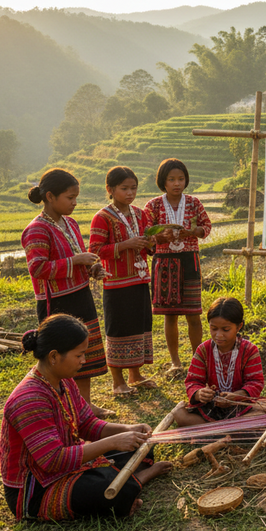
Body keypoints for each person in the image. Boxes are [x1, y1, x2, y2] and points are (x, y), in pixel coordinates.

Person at [0, 314, 172, 521]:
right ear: (54, 356)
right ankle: (137, 479)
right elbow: (53, 460)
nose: (84, 360)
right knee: (109, 489)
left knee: (141, 445)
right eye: (79, 355)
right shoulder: (29, 399)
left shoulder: (65, 381)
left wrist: (128, 429)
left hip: (66, 467)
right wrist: (114, 441)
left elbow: (87, 424)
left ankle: (129, 481)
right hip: (37, 487)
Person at [22, 168, 111, 418]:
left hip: (80, 295)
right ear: (50, 196)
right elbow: (38, 268)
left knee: (83, 354)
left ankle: (84, 405)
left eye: (76, 198)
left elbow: (77, 258)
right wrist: (76, 260)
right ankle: (67, 406)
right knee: (63, 357)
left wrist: (92, 269)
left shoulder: (70, 223)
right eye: (69, 198)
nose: (74, 203)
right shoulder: (37, 229)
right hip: (57, 301)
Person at [89, 166, 156, 396]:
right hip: (116, 284)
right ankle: (117, 382)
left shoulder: (139, 214)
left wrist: (151, 241)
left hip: (139, 279)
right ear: (110, 189)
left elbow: (149, 246)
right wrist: (127, 244)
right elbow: (96, 250)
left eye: (134, 188)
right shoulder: (102, 217)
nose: (130, 193)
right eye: (124, 188)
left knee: (139, 326)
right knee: (118, 329)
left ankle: (135, 374)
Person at [145, 158, 212, 376]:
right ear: (162, 182)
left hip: (189, 260)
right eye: (171, 179)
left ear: (186, 180)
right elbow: (146, 234)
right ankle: (175, 361)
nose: (177, 183)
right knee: (170, 315)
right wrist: (160, 236)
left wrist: (194, 232)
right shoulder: (153, 205)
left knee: (193, 314)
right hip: (164, 263)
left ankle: (197, 359)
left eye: (180, 179)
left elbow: (207, 227)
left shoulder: (193, 203)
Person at [174, 297, 264, 426]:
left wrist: (236, 396)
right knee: (180, 415)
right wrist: (199, 394)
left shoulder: (249, 350)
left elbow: (255, 382)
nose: (219, 335)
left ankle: (217, 429)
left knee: (262, 414)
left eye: (226, 329)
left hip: (241, 405)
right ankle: (231, 428)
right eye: (214, 328)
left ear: (239, 326)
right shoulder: (203, 350)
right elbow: (193, 381)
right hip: (211, 407)